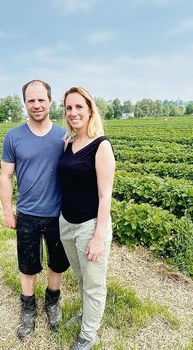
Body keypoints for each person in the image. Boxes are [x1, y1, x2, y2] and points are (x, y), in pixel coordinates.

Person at [0, 79, 70, 339]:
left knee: (58, 263)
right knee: (27, 265)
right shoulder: (13, 136)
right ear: (25, 103)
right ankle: (28, 308)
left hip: (58, 214)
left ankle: (52, 301)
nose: (36, 104)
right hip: (27, 214)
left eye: (41, 99)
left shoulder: (64, 136)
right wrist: (8, 211)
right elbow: (5, 176)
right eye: (31, 100)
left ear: (50, 101)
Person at [57, 87, 116, 350]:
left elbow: (105, 196)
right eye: (69, 108)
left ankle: (89, 334)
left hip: (89, 225)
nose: (73, 113)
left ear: (90, 109)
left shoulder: (101, 146)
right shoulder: (68, 143)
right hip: (66, 223)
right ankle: (86, 316)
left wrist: (98, 237)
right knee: (82, 278)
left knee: (94, 283)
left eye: (79, 107)